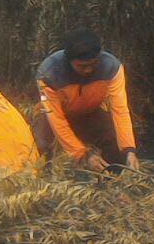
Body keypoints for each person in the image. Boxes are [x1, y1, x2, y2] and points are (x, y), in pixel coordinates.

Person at [34, 29, 140, 171]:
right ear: (69, 61)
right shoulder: (48, 74)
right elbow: (56, 120)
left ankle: (110, 177)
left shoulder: (112, 68)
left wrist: (129, 150)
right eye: (82, 66)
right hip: (52, 116)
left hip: (90, 112)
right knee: (42, 147)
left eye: (93, 64)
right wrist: (81, 154)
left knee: (114, 143)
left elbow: (120, 110)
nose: (88, 70)